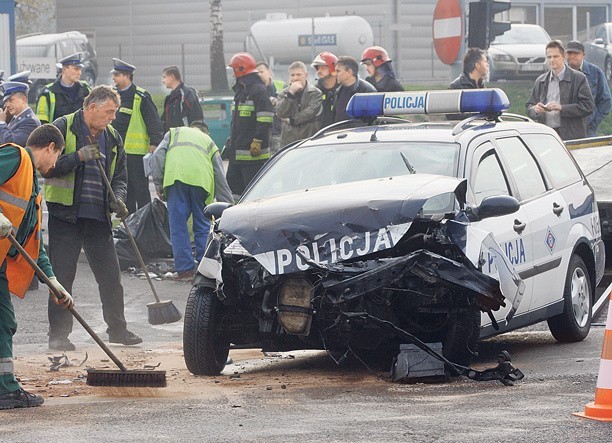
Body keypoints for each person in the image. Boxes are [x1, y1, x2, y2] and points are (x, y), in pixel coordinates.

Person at [44, 85, 142, 351]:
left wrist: (118, 198)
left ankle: (118, 330)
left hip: (98, 217)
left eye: (114, 113)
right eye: (109, 112)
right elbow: (46, 168)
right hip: (66, 216)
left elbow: (120, 176)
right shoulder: (61, 127)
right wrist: (78, 157)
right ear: (91, 108)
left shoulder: (111, 136)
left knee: (111, 278)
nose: (112, 117)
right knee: (62, 278)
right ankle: (59, 334)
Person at [1, 124, 74, 409]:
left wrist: (53, 282)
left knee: (4, 321)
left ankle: (5, 389)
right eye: (56, 157)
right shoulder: (16, 158)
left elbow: (33, 246)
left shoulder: (33, 189)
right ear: (50, 147)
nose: (55, 165)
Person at [150, 121, 233, 280]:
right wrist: (228, 208)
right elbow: (220, 178)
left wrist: (159, 185)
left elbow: (157, 157)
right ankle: (204, 270)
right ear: (206, 132)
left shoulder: (174, 133)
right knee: (202, 225)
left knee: (178, 226)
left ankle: (185, 270)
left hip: (176, 179)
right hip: (201, 183)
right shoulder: (209, 142)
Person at [110, 58, 164, 213]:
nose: (114, 78)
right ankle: (130, 227)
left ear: (127, 76)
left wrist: (154, 143)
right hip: (118, 153)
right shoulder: (112, 96)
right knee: (124, 191)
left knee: (141, 191)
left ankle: (145, 224)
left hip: (137, 155)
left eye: (117, 74)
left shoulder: (141, 96)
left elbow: (153, 121)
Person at [225, 52, 274, 197]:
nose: (232, 75)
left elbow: (265, 118)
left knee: (253, 193)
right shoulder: (241, 91)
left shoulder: (258, 90)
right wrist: (230, 144)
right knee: (233, 187)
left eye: (233, 70)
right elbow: (238, 124)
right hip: (238, 153)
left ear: (240, 70)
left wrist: (258, 140)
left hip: (253, 157)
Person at [526, 40, 595, 141]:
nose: (552, 60)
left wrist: (561, 108)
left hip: (571, 136)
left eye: (555, 56)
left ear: (563, 57)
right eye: (549, 57)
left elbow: (588, 107)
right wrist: (536, 110)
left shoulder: (579, 78)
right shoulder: (540, 80)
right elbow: (529, 107)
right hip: (546, 136)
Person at [565, 40, 611, 137]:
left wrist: (592, 122)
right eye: (569, 53)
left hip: (587, 130)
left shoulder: (595, 72)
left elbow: (606, 101)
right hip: (565, 128)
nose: (572, 56)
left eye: (576, 53)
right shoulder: (561, 73)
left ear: (583, 55)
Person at [35, 53, 92, 124]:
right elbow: (42, 123)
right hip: (58, 134)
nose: (79, 73)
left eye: (80, 69)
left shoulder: (85, 89)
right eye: (76, 69)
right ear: (65, 69)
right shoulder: (48, 93)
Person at [276, 61, 322, 146]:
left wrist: (291, 120)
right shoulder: (284, 93)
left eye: (298, 75)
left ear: (306, 75)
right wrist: (291, 94)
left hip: (309, 139)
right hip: (288, 141)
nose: (295, 78)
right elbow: (280, 112)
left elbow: (310, 112)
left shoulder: (315, 93)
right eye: (292, 75)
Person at [447, 48, 489, 120]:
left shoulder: (482, 86)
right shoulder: (456, 87)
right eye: (485, 62)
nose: (487, 65)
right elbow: (451, 115)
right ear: (477, 66)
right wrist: (478, 115)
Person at [160, 65, 204, 133]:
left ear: (172, 77)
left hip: (186, 139)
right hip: (172, 140)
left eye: (164, 77)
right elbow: (164, 121)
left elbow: (197, 118)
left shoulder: (188, 94)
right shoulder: (169, 98)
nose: (163, 81)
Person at [333, 56, 376, 123]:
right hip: (340, 132)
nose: (335, 74)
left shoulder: (367, 91)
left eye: (338, 71)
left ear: (349, 72)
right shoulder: (337, 92)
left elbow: (371, 120)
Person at [0, 82, 41, 147]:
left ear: (23, 99)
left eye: (11, 100)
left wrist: (2, 123)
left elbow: (10, 144)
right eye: (6, 101)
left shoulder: (30, 121)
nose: (7, 105)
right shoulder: (16, 118)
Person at [256, 62, 284, 153]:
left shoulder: (282, 86)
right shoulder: (254, 90)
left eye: (261, 72)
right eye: (257, 73)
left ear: (269, 72)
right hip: (262, 133)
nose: (259, 75)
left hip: (279, 131)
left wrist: (277, 102)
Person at [311, 51, 339, 129]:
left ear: (333, 69)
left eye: (323, 68)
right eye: (318, 68)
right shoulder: (315, 91)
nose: (319, 71)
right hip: (320, 134)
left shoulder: (342, 89)